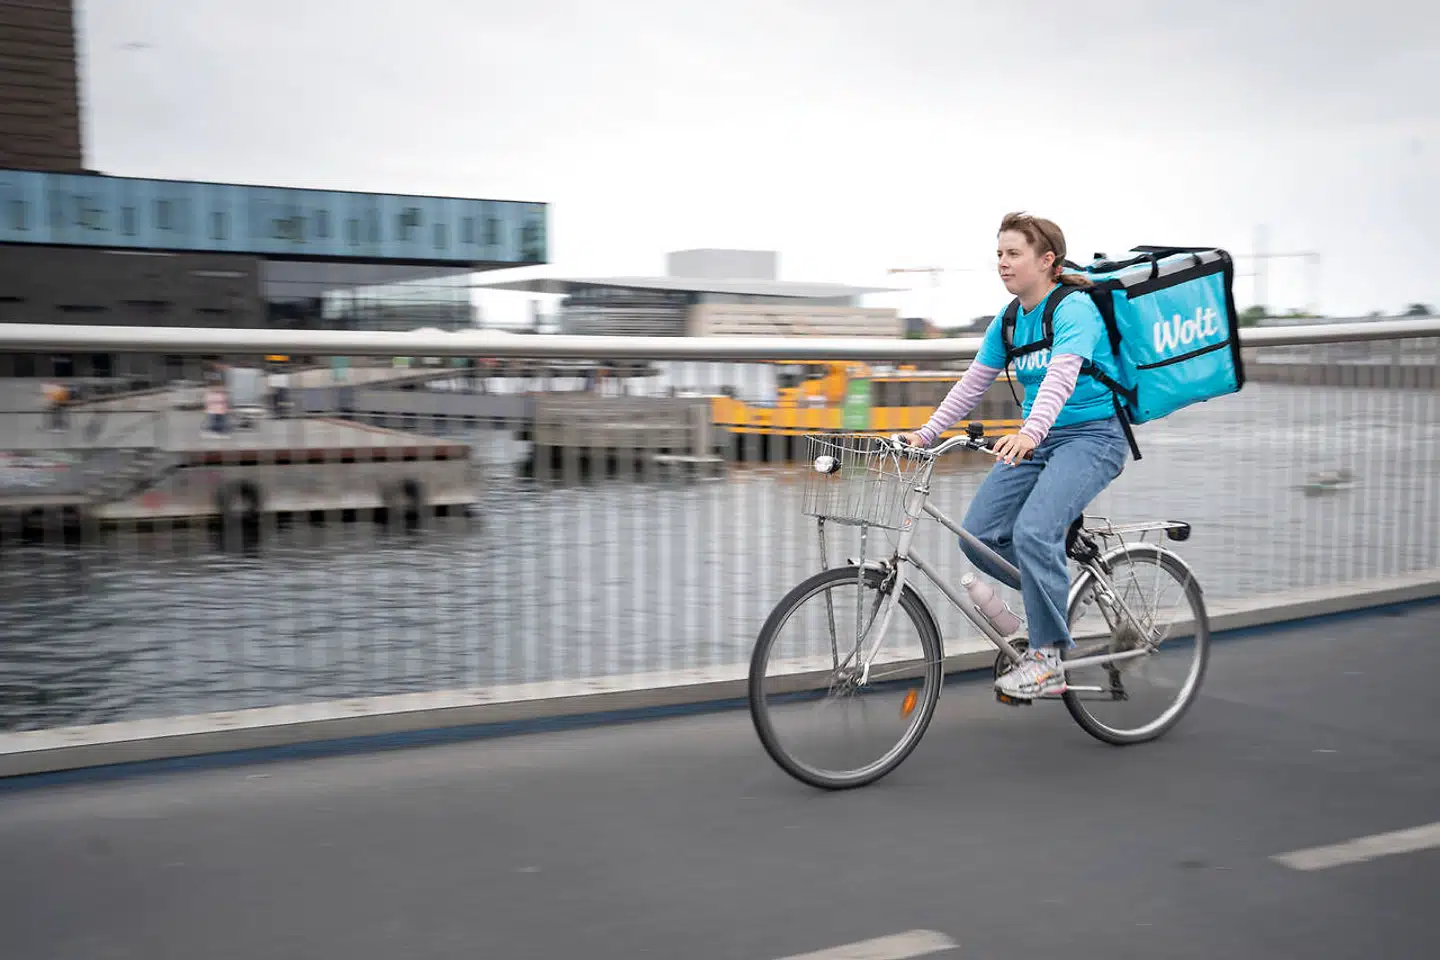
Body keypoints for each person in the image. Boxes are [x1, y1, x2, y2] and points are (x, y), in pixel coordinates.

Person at [899, 212, 1130, 700]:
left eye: (1013, 254)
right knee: (978, 535)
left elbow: (1061, 376)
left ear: (1046, 261)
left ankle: (1048, 662)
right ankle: (1051, 603)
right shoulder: (1007, 322)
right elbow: (972, 385)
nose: (1002, 264)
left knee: (1033, 531)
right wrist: (925, 433)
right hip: (1040, 438)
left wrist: (1030, 430)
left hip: (1092, 437)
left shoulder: (1074, 309)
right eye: (999, 254)